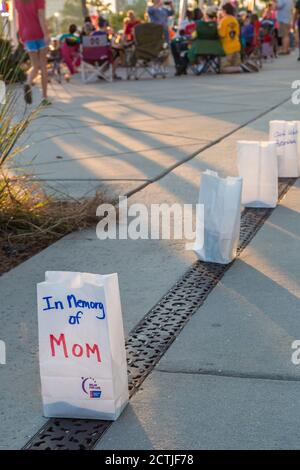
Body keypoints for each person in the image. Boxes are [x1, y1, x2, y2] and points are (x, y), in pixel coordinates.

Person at [15, 0, 50, 106]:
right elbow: (40, 15)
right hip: (39, 33)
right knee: (43, 66)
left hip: (27, 34)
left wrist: (21, 35)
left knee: (35, 66)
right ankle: (44, 98)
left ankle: (28, 83)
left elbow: (19, 17)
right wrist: (46, 34)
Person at [218, 3, 256, 73]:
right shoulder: (235, 20)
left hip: (227, 49)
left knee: (223, 69)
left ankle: (241, 68)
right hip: (237, 48)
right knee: (234, 65)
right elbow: (238, 34)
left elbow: (221, 35)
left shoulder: (223, 21)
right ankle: (242, 66)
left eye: (222, 10)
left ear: (225, 11)